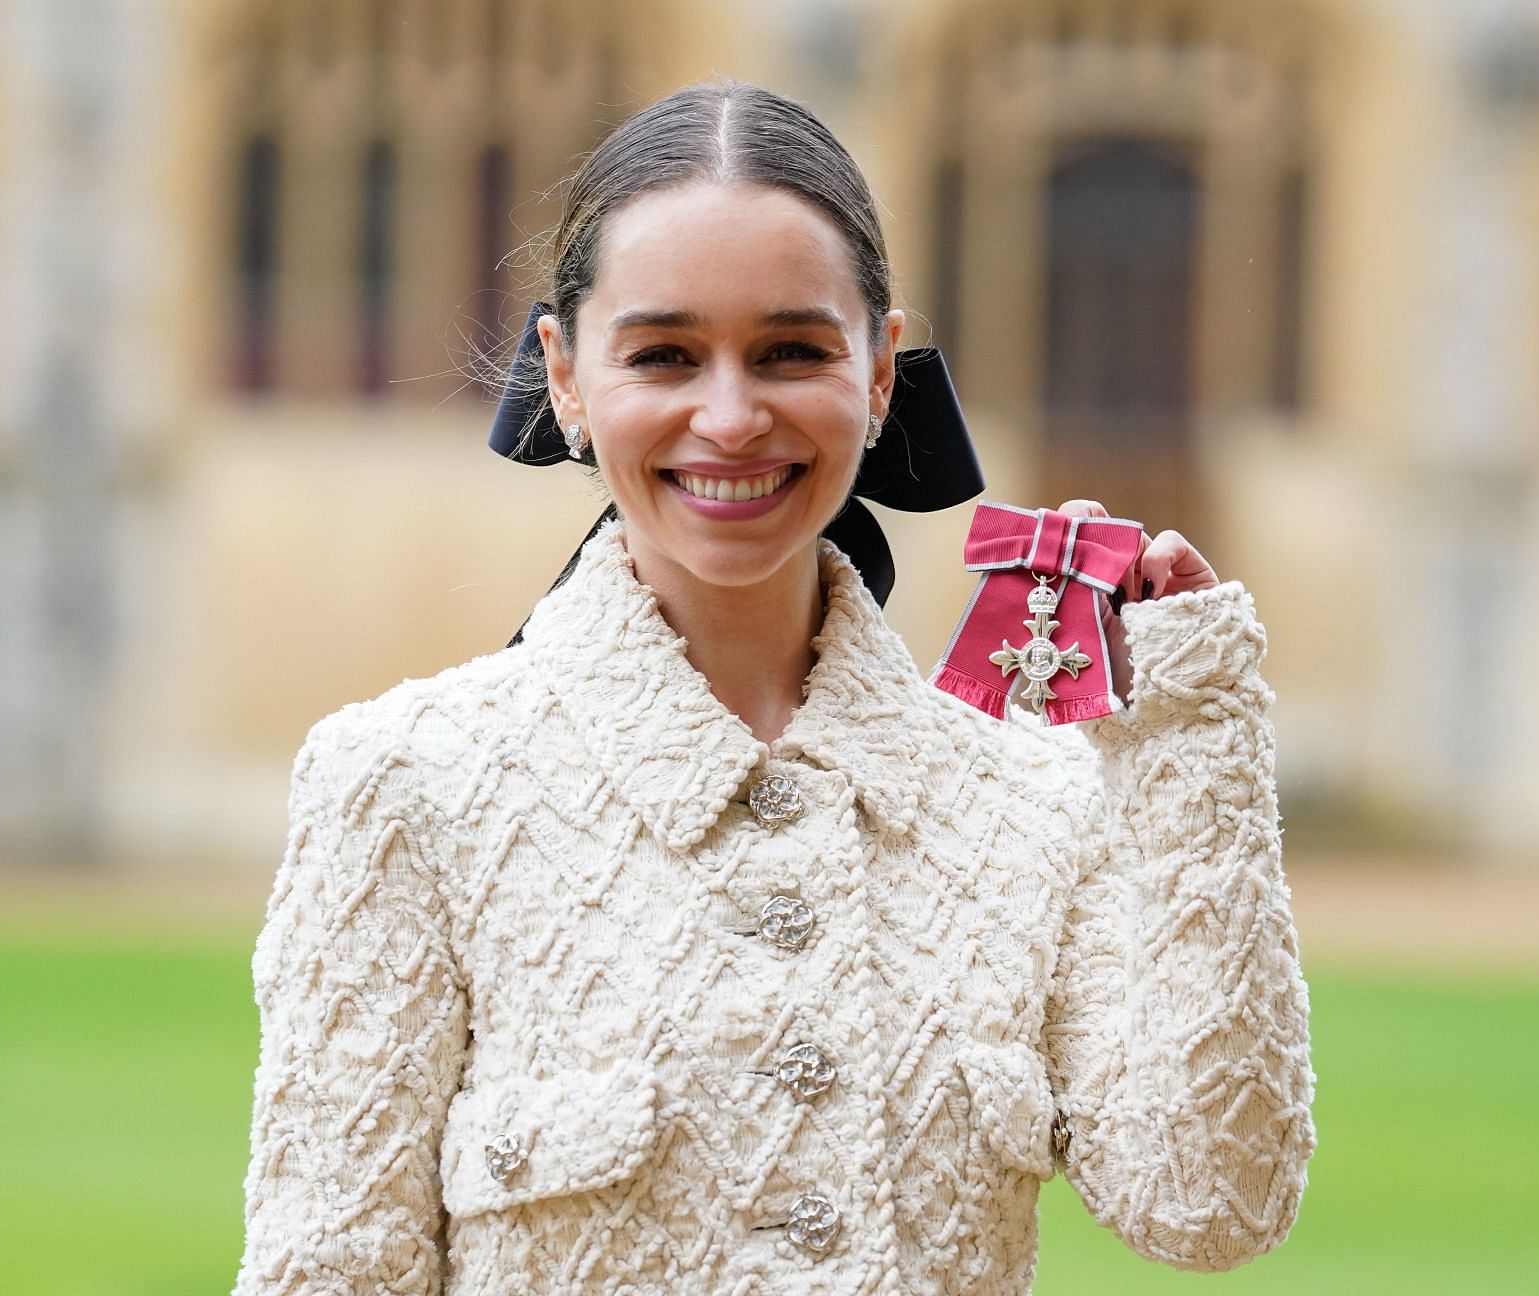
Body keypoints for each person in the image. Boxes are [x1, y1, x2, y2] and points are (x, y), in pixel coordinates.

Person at [231, 77, 1315, 1296]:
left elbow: (1212, 1203)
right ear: (567, 377)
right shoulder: (402, 785)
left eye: (792, 350)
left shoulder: (1032, 800)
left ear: (883, 371)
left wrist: (1187, 731)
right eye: (666, 355)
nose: (732, 416)